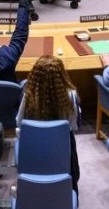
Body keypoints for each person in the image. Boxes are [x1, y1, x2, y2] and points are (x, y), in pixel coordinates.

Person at [16, 55, 81, 192]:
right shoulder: (71, 95)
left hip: (34, 145)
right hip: (63, 146)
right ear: (62, 75)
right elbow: (74, 125)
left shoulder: (28, 95)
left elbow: (19, 123)